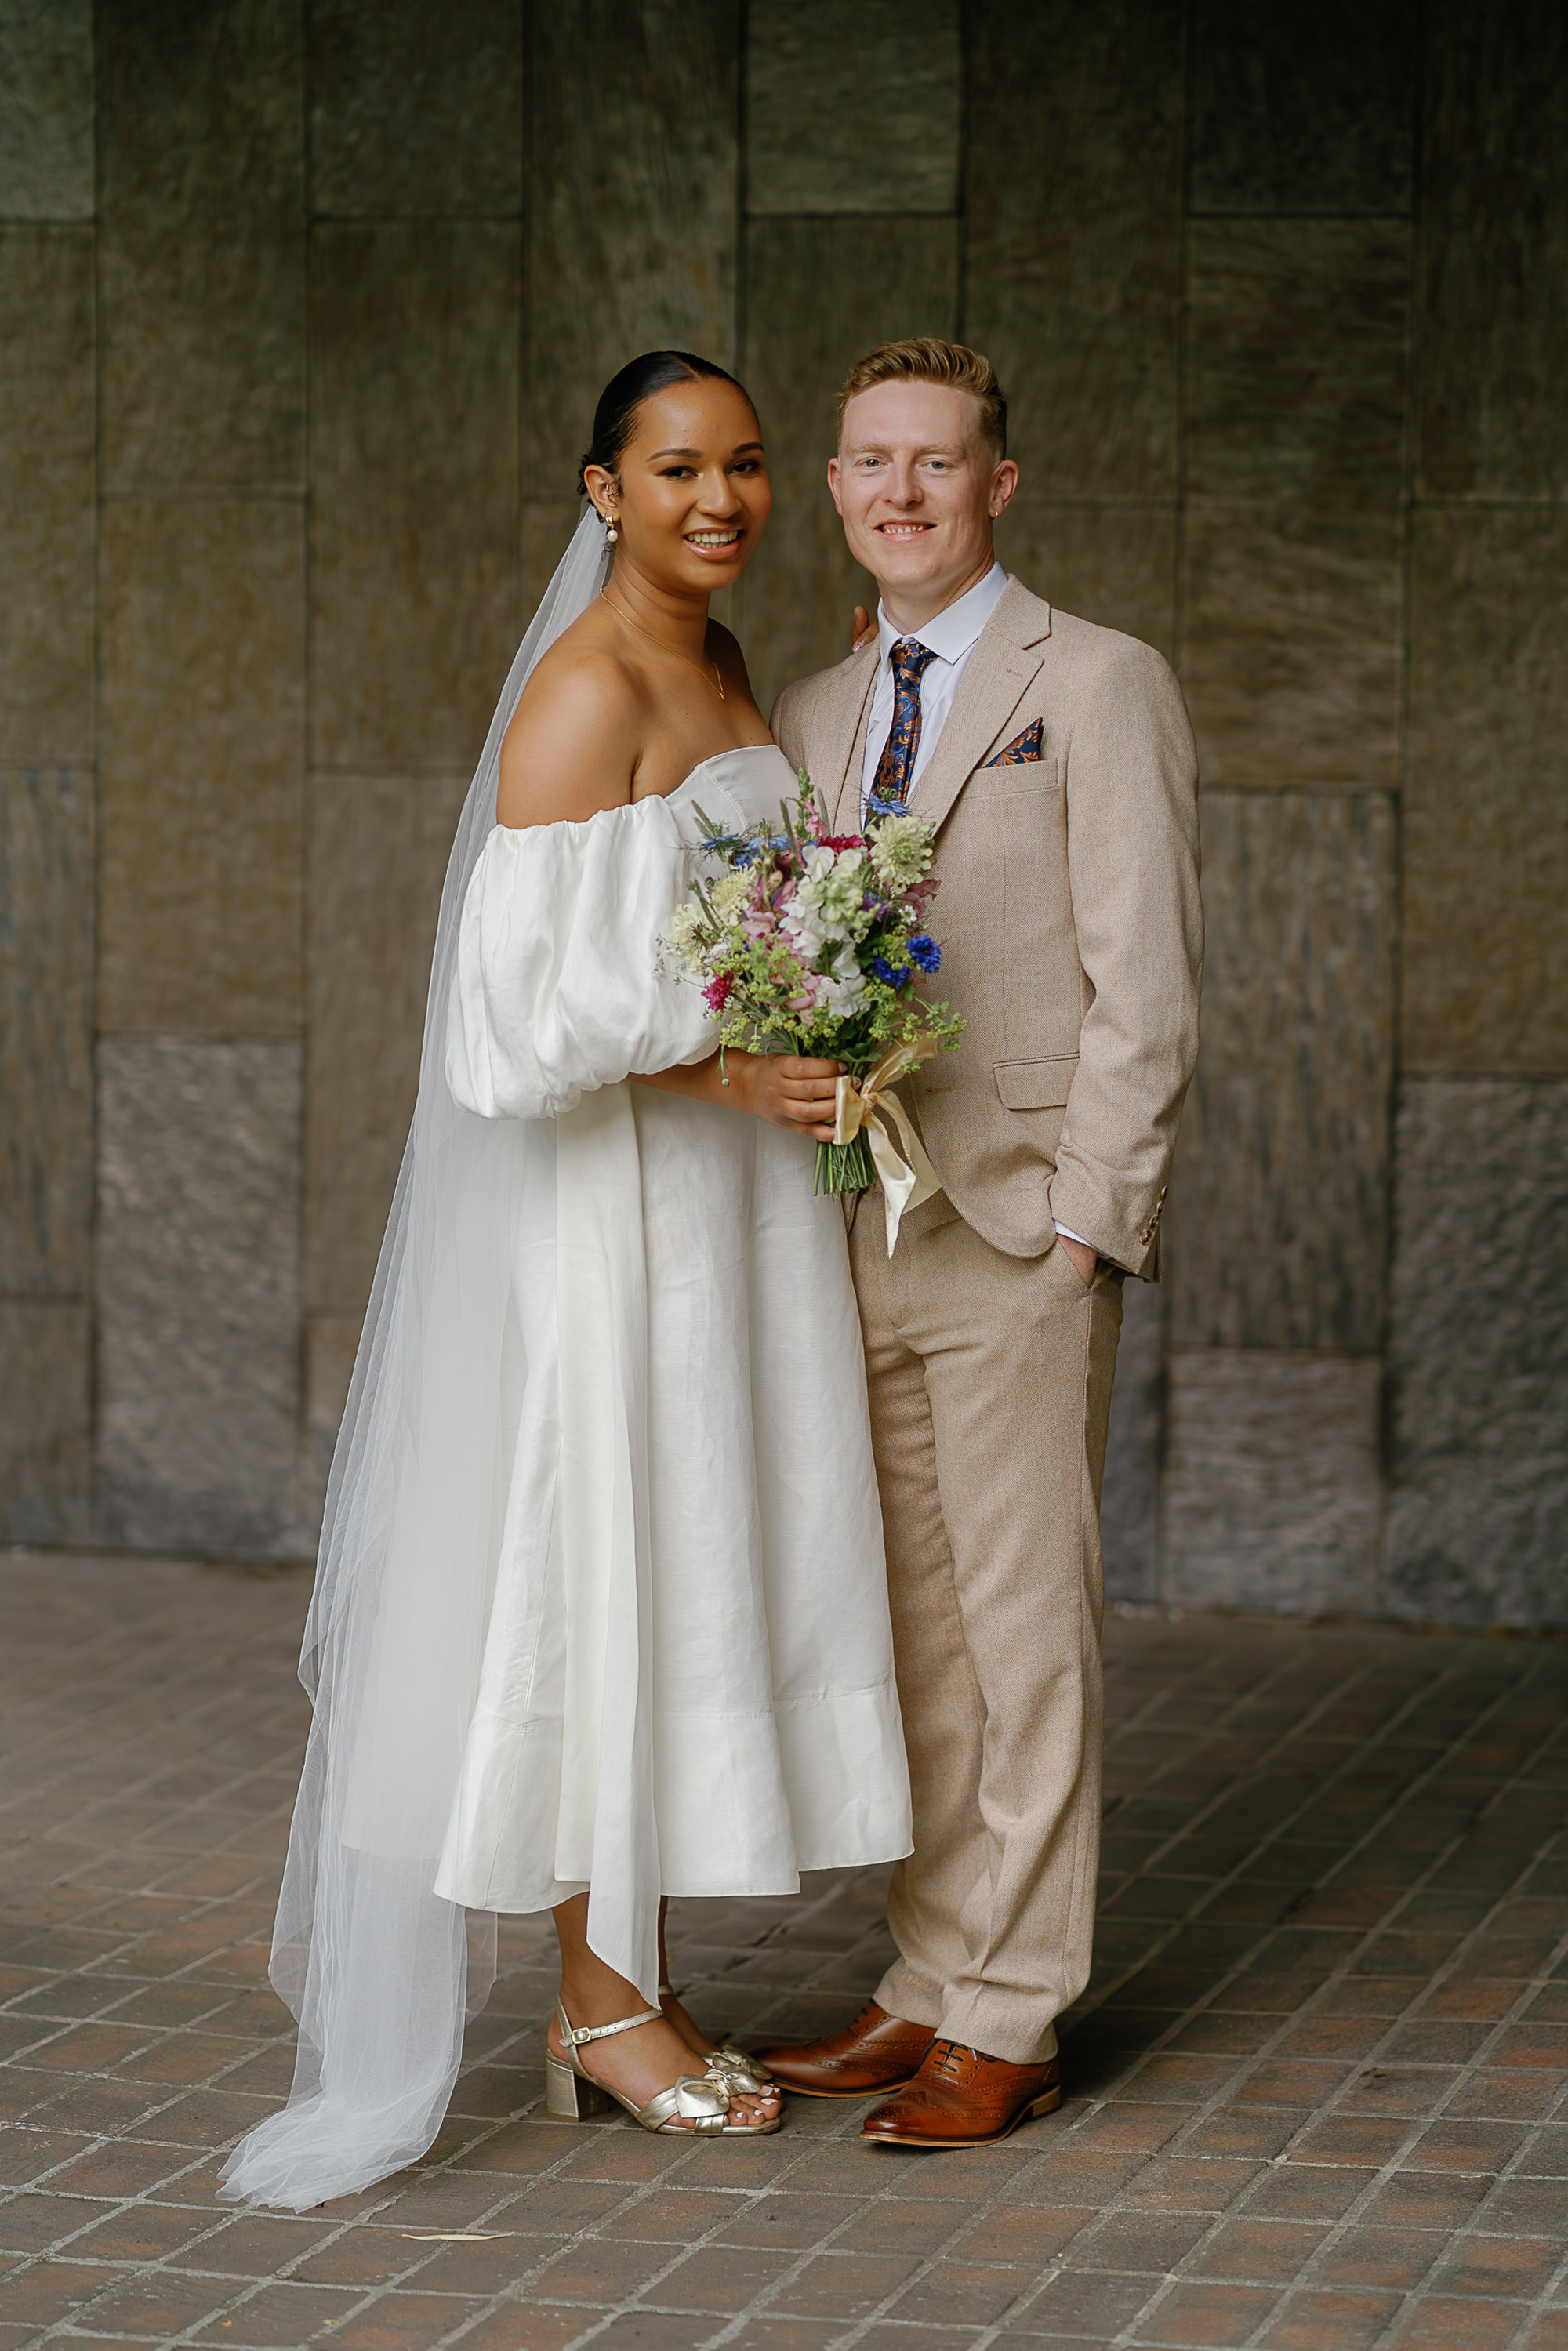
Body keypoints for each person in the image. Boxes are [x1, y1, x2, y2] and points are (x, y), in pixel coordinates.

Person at [220, 351, 911, 2210]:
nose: (721, 498)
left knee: (694, 1572)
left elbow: (751, 899)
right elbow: (506, 1028)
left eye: (748, 465)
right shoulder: (582, 694)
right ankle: (605, 2010)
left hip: (731, 1210)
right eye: (677, 468)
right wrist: (727, 1068)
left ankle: (625, 1988)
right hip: (624, 1217)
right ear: (600, 490)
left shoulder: (727, 663)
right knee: (623, 1567)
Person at [752, 339, 1202, 2149]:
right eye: (871, 463)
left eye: (937, 464)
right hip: (856, 1224)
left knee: (1025, 1633)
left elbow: (1146, 984)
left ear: (997, 484)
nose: (902, 493)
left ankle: (1013, 2011)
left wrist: (1089, 1225)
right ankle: (932, 1971)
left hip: (1017, 1231)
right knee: (919, 1640)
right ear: (843, 486)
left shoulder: (1094, 681)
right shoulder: (807, 712)